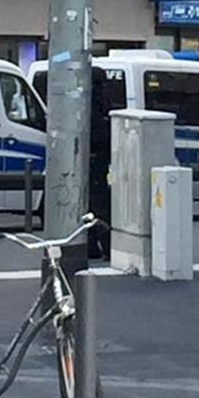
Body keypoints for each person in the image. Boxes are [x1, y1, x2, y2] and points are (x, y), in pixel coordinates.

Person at [87, 68, 113, 260]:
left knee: (89, 205)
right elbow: (102, 135)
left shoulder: (83, 103)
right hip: (99, 161)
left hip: (90, 161)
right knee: (101, 206)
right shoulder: (100, 104)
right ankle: (106, 244)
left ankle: (90, 245)